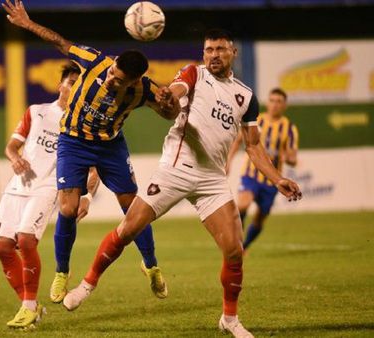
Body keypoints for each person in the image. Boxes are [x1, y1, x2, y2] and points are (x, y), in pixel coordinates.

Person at [63, 29, 302, 338]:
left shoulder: (246, 97)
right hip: (176, 169)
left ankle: (229, 319)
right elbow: (175, 90)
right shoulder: (194, 73)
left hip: (212, 179)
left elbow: (253, 146)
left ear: (233, 53)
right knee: (128, 229)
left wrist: (278, 177)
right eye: (209, 49)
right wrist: (168, 97)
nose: (213, 54)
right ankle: (87, 285)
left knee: (233, 250)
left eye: (220, 49)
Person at [2, 0, 179, 303]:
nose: (111, 79)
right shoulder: (94, 61)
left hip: (110, 146)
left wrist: (169, 103)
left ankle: (151, 265)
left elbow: (169, 115)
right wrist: (26, 22)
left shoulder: (143, 90)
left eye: (119, 80)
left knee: (133, 209)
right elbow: (60, 42)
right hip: (73, 141)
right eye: (112, 72)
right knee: (68, 209)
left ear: (134, 81)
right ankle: (62, 273)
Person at [0, 63, 100, 330]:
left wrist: (86, 197)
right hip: (18, 185)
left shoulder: (85, 124)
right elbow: (11, 146)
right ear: (59, 85)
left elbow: (94, 167)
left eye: (79, 83)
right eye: (70, 81)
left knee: (26, 240)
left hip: (49, 187)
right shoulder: (37, 112)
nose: (74, 86)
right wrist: (15, 158)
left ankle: (28, 308)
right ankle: (30, 306)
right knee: (3, 247)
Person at [227, 88, 299, 251]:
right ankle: (236, 242)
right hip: (250, 175)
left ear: (284, 105)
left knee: (259, 219)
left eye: (279, 101)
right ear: (268, 102)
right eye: (272, 100)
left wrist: (287, 157)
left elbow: (293, 158)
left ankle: (244, 247)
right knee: (243, 206)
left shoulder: (289, 128)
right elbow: (238, 141)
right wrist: (228, 162)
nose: (274, 105)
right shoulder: (257, 121)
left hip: (273, 181)